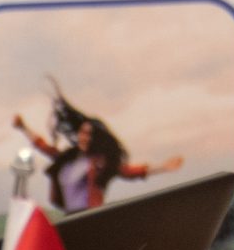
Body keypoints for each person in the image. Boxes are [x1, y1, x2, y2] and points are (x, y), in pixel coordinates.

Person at [13, 89, 184, 213]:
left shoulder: (99, 162)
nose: (85, 138)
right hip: (71, 216)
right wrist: (23, 127)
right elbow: (44, 147)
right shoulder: (67, 158)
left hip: (91, 215)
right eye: (83, 133)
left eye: (90, 135)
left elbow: (126, 171)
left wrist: (163, 167)